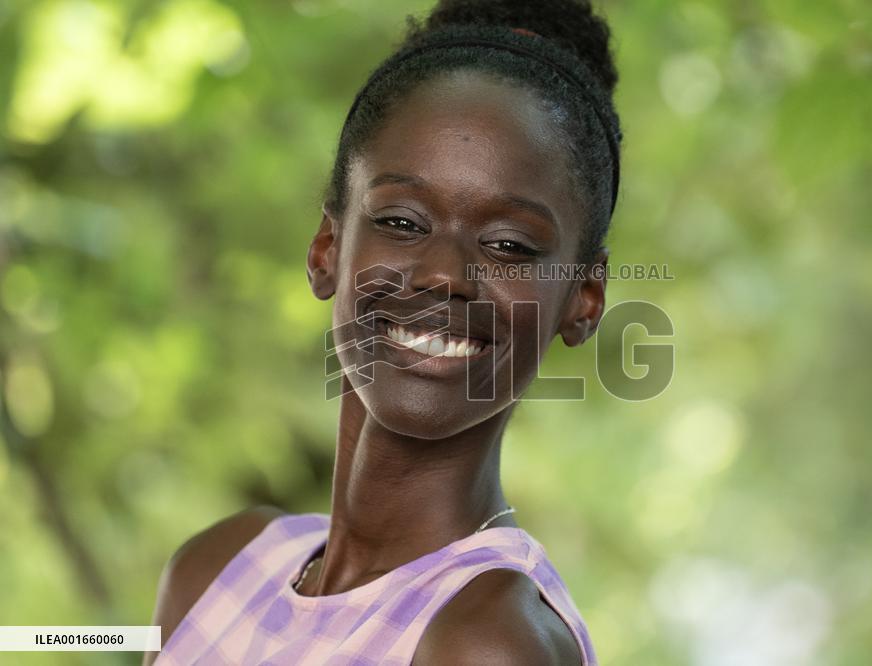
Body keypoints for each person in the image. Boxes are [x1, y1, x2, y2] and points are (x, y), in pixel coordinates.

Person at [146, 0, 622, 663]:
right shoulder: (218, 570)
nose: (443, 275)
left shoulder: (486, 643)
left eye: (510, 243)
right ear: (326, 247)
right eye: (401, 221)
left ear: (584, 297)